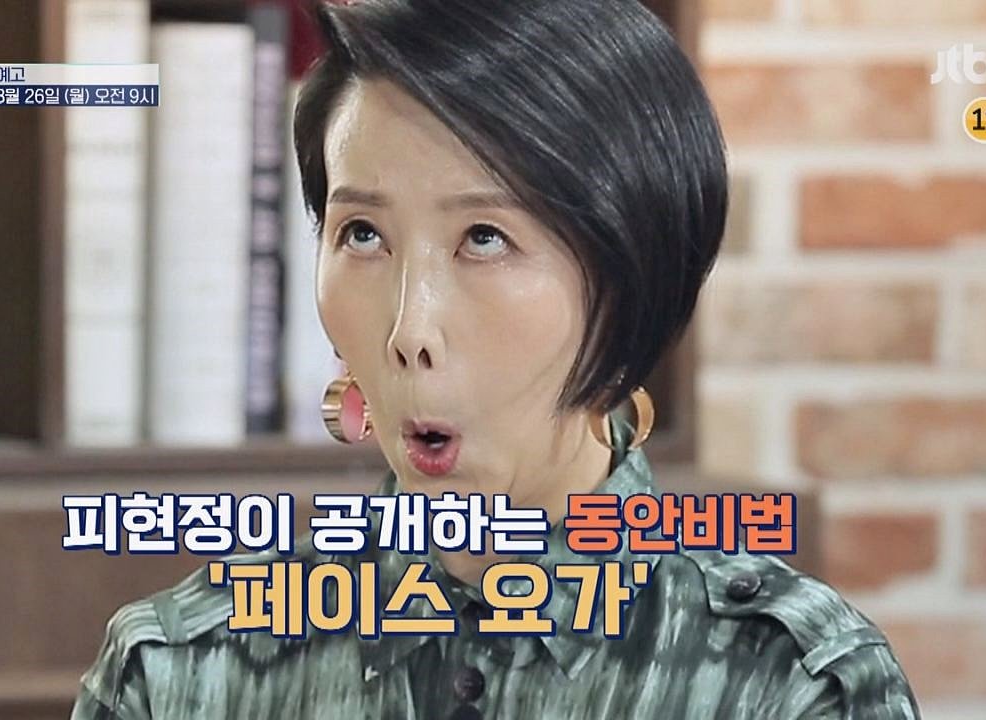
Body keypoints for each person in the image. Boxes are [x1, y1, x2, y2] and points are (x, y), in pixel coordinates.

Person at [71, 0, 920, 717]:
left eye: (484, 238)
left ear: (629, 276)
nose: (409, 329)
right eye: (362, 234)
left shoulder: (791, 687)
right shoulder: (180, 674)